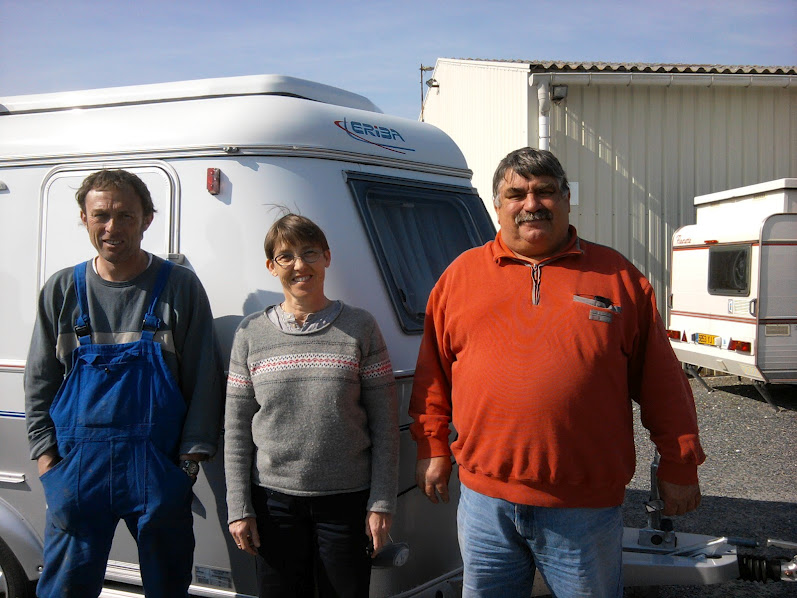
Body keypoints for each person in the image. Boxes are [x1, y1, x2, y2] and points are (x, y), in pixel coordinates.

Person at [409, 148, 706, 598]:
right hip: (486, 506)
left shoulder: (617, 277)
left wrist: (680, 463)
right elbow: (433, 374)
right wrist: (432, 445)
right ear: (498, 205)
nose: (531, 203)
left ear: (567, 199)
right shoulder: (459, 277)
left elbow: (663, 383)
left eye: (545, 191)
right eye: (516, 193)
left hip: (583, 509)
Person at [24, 169, 225, 598]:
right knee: (63, 591)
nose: (112, 228)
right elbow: (39, 383)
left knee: (167, 588)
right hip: (76, 472)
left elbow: (205, 380)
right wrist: (47, 463)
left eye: (125, 216)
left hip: (157, 470)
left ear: (147, 218)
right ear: (84, 217)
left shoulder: (180, 287)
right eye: (101, 216)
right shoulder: (62, 290)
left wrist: (186, 467)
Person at [224, 213, 399, 597]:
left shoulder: (360, 326)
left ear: (327, 258)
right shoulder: (251, 333)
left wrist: (381, 500)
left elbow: (385, 424)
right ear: (271, 267)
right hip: (273, 504)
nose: (300, 265)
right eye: (286, 257)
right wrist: (239, 507)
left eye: (309, 253)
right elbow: (236, 430)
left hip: (347, 502)